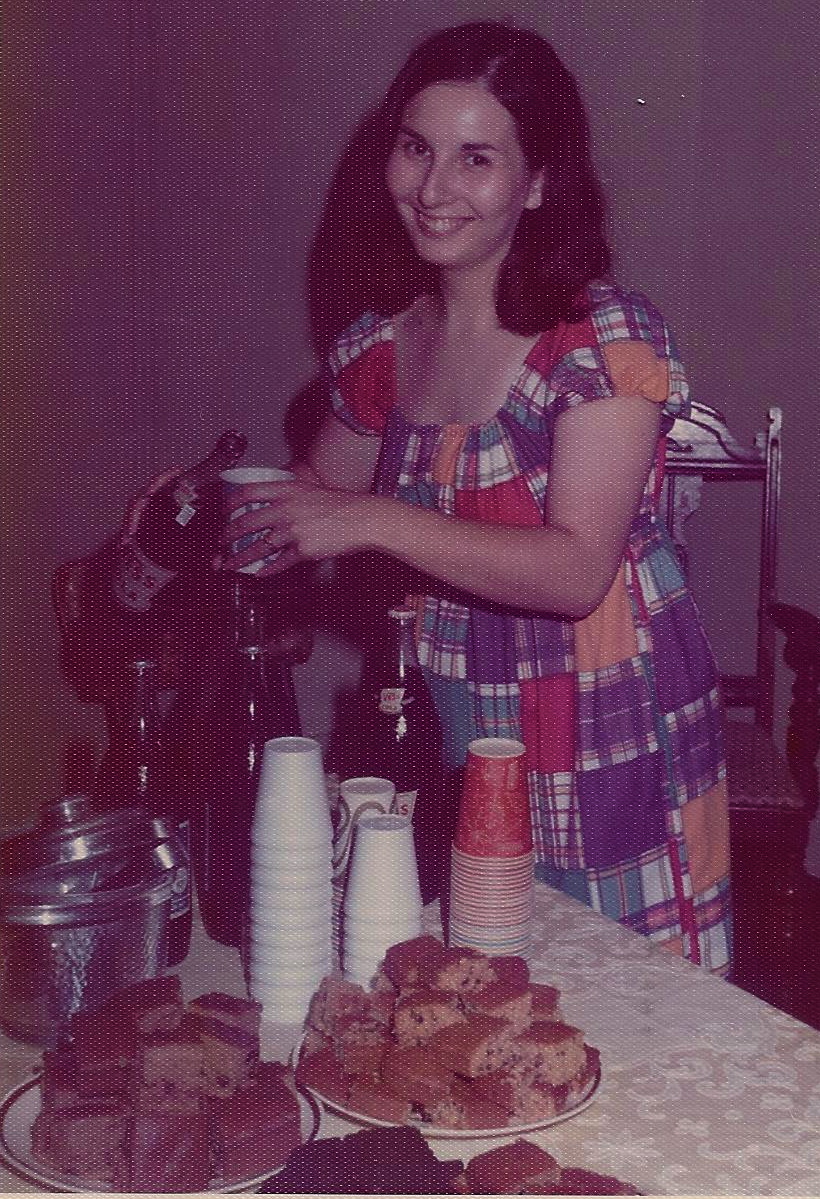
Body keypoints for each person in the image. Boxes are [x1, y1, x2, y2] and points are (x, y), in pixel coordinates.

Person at [219, 21, 732, 975]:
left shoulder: (600, 339)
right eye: (416, 148)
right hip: (450, 717)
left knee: (616, 997)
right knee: (458, 988)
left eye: (477, 158)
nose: (433, 188)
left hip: (600, 716)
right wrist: (212, 513)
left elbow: (576, 569)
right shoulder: (383, 347)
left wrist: (367, 520)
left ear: (538, 184)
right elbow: (311, 502)